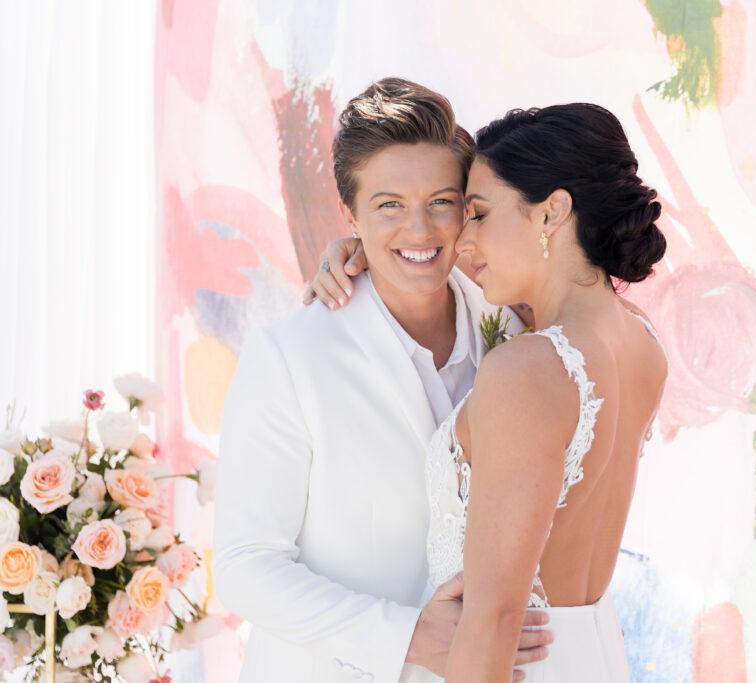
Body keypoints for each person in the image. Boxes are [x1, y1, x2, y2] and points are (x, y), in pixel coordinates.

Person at [310, 103, 668, 681]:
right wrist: (362, 250)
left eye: (477, 214)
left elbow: (497, 615)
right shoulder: (641, 342)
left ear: (552, 212)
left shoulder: (527, 369)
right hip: (593, 657)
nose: (462, 240)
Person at [212, 78, 551, 683]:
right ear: (351, 216)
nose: (419, 231)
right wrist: (405, 636)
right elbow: (245, 565)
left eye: (441, 202)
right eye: (389, 205)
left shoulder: (515, 327)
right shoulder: (290, 357)